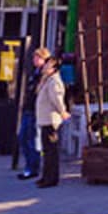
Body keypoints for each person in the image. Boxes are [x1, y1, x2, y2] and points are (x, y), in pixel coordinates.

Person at [35, 51, 70, 188]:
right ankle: (45, 176)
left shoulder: (54, 81)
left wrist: (63, 112)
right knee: (46, 150)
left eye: (48, 65)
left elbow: (57, 99)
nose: (44, 67)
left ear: (54, 68)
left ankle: (51, 178)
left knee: (51, 151)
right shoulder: (47, 79)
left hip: (51, 120)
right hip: (45, 119)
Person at [16, 47, 46, 180]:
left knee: (32, 139)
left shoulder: (44, 75)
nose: (34, 60)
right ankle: (29, 165)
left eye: (37, 58)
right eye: (34, 57)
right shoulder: (34, 73)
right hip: (28, 109)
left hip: (36, 111)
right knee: (23, 137)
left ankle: (33, 167)